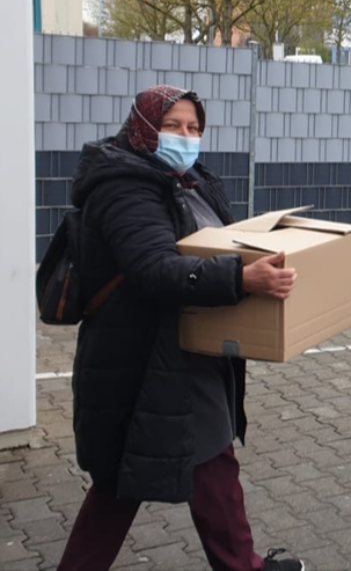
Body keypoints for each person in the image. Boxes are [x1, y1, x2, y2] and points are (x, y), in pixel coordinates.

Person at [59, 86, 305, 571]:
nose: (186, 137)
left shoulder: (182, 178)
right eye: (173, 126)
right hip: (141, 356)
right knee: (139, 476)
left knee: (184, 468)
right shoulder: (125, 186)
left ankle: (241, 563)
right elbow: (154, 269)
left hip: (179, 348)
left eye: (194, 128)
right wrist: (242, 276)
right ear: (144, 127)